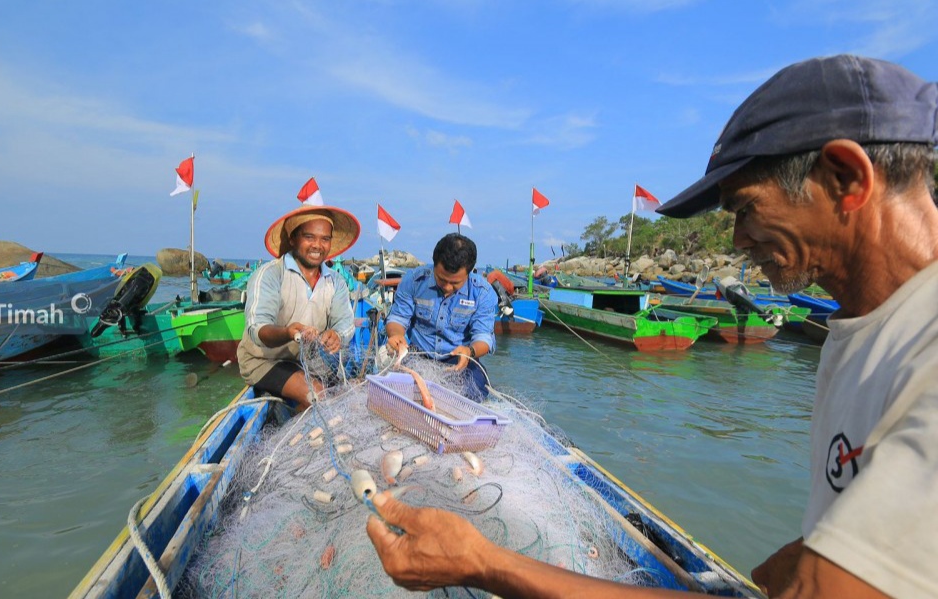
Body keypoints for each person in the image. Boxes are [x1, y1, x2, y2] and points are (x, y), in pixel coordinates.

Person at [367, 54, 938, 598]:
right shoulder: (862, 333)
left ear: (845, 177)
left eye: (744, 209)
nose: (738, 239)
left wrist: (483, 563)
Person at [237, 204, 360, 412]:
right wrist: (288, 332)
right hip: (263, 360)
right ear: (293, 239)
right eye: (309, 237)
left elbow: (346, 323)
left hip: (308, 362)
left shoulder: (336, 281)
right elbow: (258, 329)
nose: (317, 246)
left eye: (325, 239)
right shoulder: (270, 275)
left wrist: (337, 335)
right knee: (318, 396)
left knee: (349, 397)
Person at [385, 233, 498, 400]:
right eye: (441, 279)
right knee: (393, 392)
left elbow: (484, 338)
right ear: (434, 265)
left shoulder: (483, 293)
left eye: (455, 283)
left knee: (474, 392)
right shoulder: (414, 280)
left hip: (459, 361)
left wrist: (469, 351)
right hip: (417, 355)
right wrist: (396, 335)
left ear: (469, 273)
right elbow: (397, 318)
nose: (447, 287)